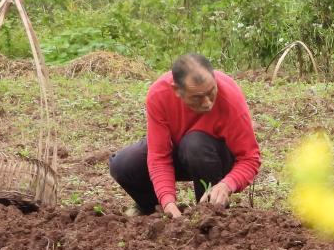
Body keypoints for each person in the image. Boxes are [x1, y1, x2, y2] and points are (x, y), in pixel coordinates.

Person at [109, 53, 260, 218]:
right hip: (181, 151)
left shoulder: (230, 97)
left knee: (195, 144)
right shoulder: (159, 95)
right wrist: (167, 202)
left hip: (215, 156)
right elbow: (159, 157)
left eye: (211, 92)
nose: (208, 102)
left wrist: (226, 185)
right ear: (176, 90)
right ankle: (157, 212)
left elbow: (250, 158)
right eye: (197, 97)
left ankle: (210, 214)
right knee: (124, 164)